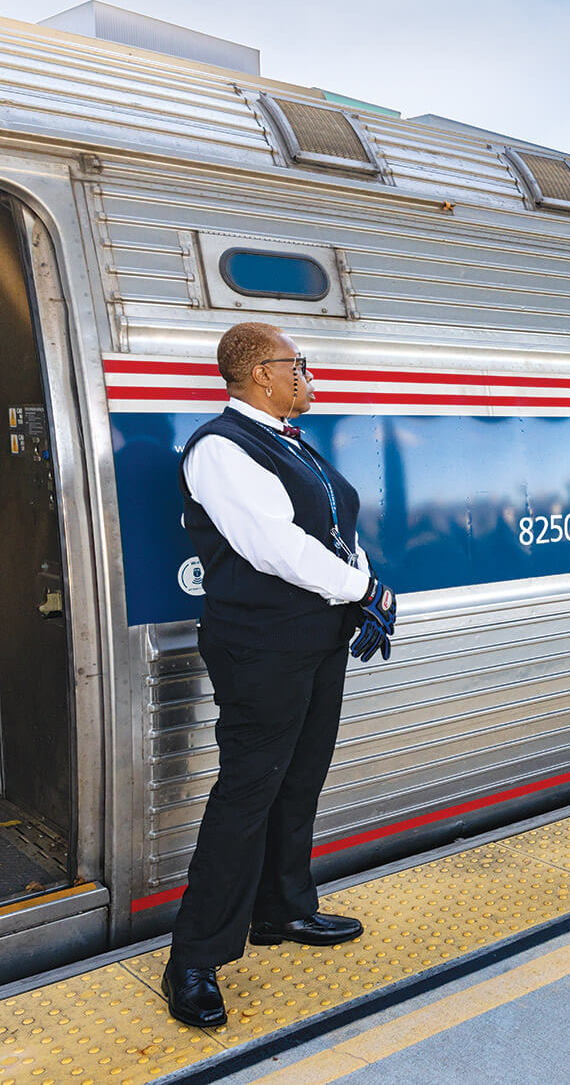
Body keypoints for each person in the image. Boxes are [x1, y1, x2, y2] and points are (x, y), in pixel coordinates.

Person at [162, 321, 397, 1028]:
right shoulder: (222, 449)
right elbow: (276, 548)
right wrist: (364, 593)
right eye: (299, 364)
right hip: (260, 648)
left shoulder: (289, 443)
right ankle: (194, 959)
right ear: (261, 373)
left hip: (312, 641)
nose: (308, 374)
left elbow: (333, 536)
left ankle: (283, 910)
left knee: (299, 779)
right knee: (248, 793)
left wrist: (364, 583)